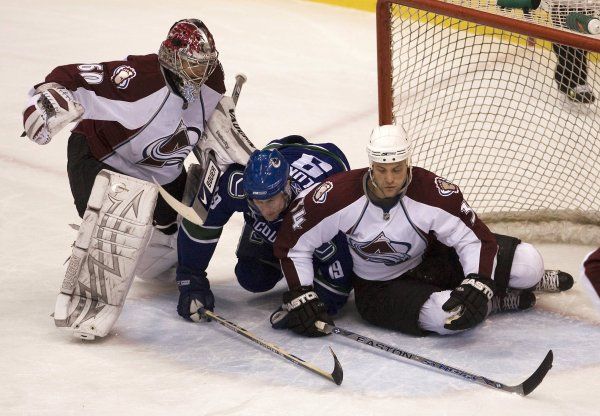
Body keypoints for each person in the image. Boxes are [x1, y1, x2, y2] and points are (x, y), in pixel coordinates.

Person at [21, 18, 226, 339]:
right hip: (100, 158)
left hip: (161, 169)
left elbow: (209, 119)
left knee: (176, 242)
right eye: (192, 65)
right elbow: (70, 76)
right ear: (172, 59)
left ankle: (136, 254)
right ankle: (93, 273)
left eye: (205, 65)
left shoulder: (212, 81)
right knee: (113, 225)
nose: (200, 74)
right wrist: (48, 98)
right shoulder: (136, 80)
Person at [273, 125, 573, 337]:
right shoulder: (338, 196)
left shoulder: (432, 192)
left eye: (397, 169)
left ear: (408, 163)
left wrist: (478, 281)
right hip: (380, 290)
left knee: (529, 265)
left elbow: (473, 239)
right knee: (452, 318)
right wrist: (302, 293)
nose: (390, 179)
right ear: (371, 165)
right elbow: (293, 244)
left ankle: (497, 289)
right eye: (381, 169)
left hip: (432, 262)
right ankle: (494, 302)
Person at [176, 136, 354, 323]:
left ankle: (292, 250)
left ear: (286, 188)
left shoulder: (316, 209)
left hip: (330, 162)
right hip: (284, 149)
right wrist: (191, 279)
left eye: (270, 200)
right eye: (257, 201)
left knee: (318, 263)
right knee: (252, 276)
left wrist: (309, 307)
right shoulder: (237, 185)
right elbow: (202, 223)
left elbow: (340, 283)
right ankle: (277, 244)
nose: (265, 209)